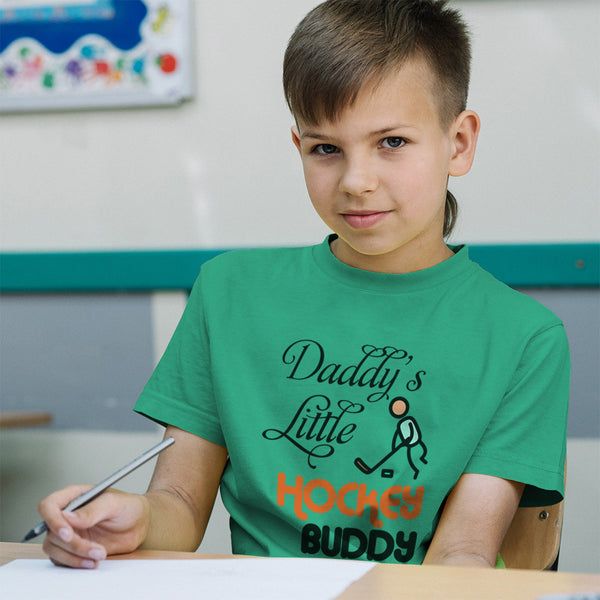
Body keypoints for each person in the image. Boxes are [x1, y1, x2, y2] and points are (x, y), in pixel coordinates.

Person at [38, 0, 569, 570]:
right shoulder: (228, 293)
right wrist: (135, 518)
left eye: (391, 142)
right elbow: (180, 505)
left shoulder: (525, 338)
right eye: (326, 148)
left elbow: (463, 551)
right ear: (300, 148)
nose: (355, 181)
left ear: (458, 143)